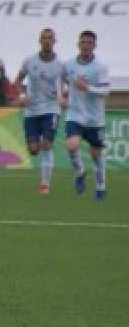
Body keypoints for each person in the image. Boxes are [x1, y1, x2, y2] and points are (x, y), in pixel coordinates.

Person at [13, 28, 66, 195]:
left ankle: (44, 184)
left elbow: (68, 86)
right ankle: (35, 150)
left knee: (47, 145)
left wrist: (63, 98)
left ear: (55, 41)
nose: (47, 41)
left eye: (50, 38)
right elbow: (18, 80)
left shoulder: (61, 65)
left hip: (51, 108)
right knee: (34, 149)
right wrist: (22, 95)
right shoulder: (29, 61)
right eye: (44, 38)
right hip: (31, 110)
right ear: (39, 40)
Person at [62, 30, 111, 201]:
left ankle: (100, 186)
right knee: (71, 145)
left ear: (94, 45)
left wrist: (88, 88)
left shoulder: (101, 67)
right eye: (83, 42)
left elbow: (106, 91)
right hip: (75, 114)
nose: (86, 46)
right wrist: (61, 96)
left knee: (96, 155)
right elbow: (60, 79)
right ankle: (80, 172)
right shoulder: (68, 65)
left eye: (90, 42)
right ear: (78, 44)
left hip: (95, 119)